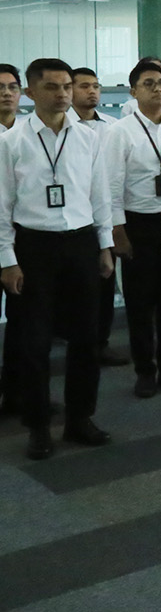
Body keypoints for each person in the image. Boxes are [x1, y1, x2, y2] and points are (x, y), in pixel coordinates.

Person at [0, 58, 115, 459]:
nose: (63, 93)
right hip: (34, 246)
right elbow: (1, 206)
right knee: (34, 342)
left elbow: (100, 196)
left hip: (81, 242)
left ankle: (80, 419)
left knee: (86, 338)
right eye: (52, 87)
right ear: (31, 93)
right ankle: (37, 427)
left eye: (68, 86)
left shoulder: (87, 138)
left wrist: (104, 246)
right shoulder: (11, 142)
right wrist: (7, 260)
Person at [108, 58, 161, 398]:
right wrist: (118, 232)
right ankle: (145, 370)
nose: (157, 89)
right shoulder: (119, 131)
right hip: (137, 223)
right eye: (149, 84)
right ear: (133, 91)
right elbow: (111, 186)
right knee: (141, 303)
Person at [70, 67, 128, 367]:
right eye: (83, 86)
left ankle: (102, 341)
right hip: (70, 219)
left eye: (95, 86)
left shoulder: (112, 127)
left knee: (104, 285)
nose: (92, 92)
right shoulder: (60, 127)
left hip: (103, 215)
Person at [0, 64, 23, 418]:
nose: (6, 92)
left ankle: (19, 394)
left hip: (25, 243)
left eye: (12, 86)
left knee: (24, 326)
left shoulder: (29, 136)